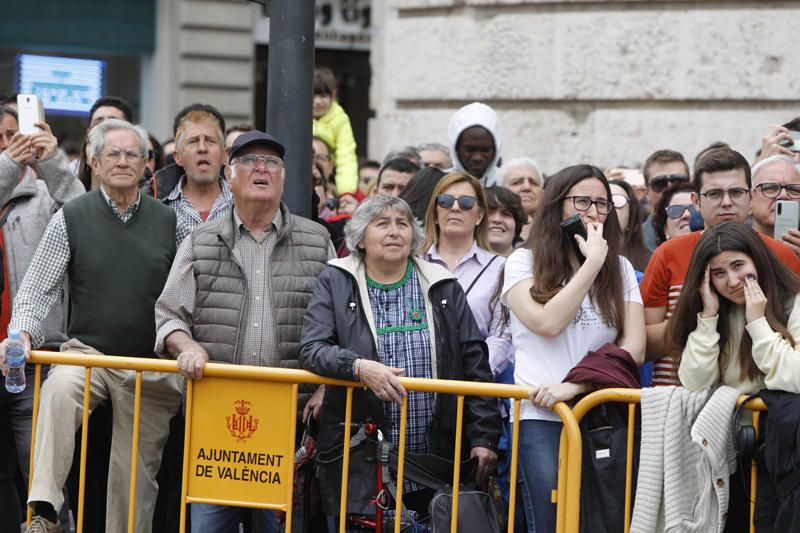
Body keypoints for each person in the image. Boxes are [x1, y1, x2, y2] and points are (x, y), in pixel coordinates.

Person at [1, 119, 182, 533]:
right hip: (89, 354)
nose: (122, 161)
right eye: (112, 154)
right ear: (93, 163)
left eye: (131, 154)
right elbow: (36, 288)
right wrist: (22, 333)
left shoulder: (170, 221)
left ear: (145, 164)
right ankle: (44, 510)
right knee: (59, 389)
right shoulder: (72, 216)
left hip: (151, 364)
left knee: (133, 481)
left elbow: (191, 291)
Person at [154, 130, 334, 533]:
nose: (261, 169)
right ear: (229, 178)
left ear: (284, 179)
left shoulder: (318, 241)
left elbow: (340, 326)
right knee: (207, 528)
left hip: (290, 421)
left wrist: (326, 388)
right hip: (217, 430)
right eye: (250, 162)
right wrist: (186, 345)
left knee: (279, 527)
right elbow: (169, 315)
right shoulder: (201, 241)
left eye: (271, 163)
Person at [298, 194, 500, 521]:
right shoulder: (336, 279)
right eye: (382, 224)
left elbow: (474, 363)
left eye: (402, 223)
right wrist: (358, 367)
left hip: (435, 453)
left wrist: (484, 436)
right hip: (361, 452)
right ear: (361, 237)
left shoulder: (442, 284)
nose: (394, 232)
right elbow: (312, 348)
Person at [502, 164, 645, 533]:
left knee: (603, 517)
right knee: (550, 519)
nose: (593, 212)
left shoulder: (623, 268)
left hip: (598, 407)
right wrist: (592, 263)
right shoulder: (522, 261)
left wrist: (579, 385)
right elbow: (547, 323)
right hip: (539, 412)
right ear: (557, 206)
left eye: (602, 203)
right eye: (582, 201)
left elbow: (634, 348)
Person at [641, 147, 800, 386]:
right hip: (675, 400)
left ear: (751, 197)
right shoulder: (668, 253)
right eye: (714, 194)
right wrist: (701, 314)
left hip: (757, 405)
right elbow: (645, 346)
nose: (726, 203)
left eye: (736, 192)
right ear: (696, 201)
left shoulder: (781, 255)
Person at [0, 105, 84, 531]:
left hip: (30, 364)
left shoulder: (44, 197)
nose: (11, 144)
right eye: (2, 137)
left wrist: (52, 162)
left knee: (44, 484)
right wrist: (6, 166)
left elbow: (88, 215)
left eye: (19, 135)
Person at [668, 221, 800, 393]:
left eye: (738, 265)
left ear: (758, 259)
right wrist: (708, 317)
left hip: (780, 418)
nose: (732, 281)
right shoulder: (714, 310)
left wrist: (758, 323)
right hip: (731, 419)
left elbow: (796, 377)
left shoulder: (793, 300)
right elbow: (695, 384)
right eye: (719, 273)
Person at [421, 172, 510, 378]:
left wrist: (475, 375)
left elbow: (502, 336)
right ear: (435, 212)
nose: (454, 208)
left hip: (475, 385)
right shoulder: (412, 263)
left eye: (466, 202)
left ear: (480, 216)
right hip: (419, 384)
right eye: (445, 201)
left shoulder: (501, 268)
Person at [163, 107, 231, 237]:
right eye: (193, 141)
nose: (202, 148)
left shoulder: (242, 204)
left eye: (210, 141)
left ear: (224, 155)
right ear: (178, 157)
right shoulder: (161, 207)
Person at [312, 66, 358, 195]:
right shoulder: (297, 115)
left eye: (323, 96)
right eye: (313, 96)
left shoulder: (340, 119)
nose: (318, 101)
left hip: (329, 176)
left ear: (333, 96)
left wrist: (346, 191)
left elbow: (346, 154)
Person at [640, 150, 691, 252]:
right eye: (659, 183)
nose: (670, 188)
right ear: (647, 192)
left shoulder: (711, 230)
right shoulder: (634, 241)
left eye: (678, 181)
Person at [749, 155, 800, 252]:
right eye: (770, 188)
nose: (783, 195)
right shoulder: (733, 246)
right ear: (750, 199)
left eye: (794, 189)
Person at [447, 102, 502, 186]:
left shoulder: (507, 183)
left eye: (485, 150)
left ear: (496, 149)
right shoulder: (439, 184)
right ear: (456, 147)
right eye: (469, 150)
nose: (477, 158)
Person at [609, 179, 650, 272]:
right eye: (602, 202)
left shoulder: (652, 264)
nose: (609, 207)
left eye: (617, 201)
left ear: (631, 216)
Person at [499, 158, 544, 241]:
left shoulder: (556, 230)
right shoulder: (489, 229)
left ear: (543, 192)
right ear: (501, 190)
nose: (527, 187)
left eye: (533, 182)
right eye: (517, 182)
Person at [484, 185, 526, 256]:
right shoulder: (458, 262)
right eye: (489, 213)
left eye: (506, 214)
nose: (497, 220)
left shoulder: (534, 263)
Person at [650, 182, 696, 247]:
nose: (686, 214)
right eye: (676, 210)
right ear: (665, 229)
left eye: (694, 209)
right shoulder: (657, 257)